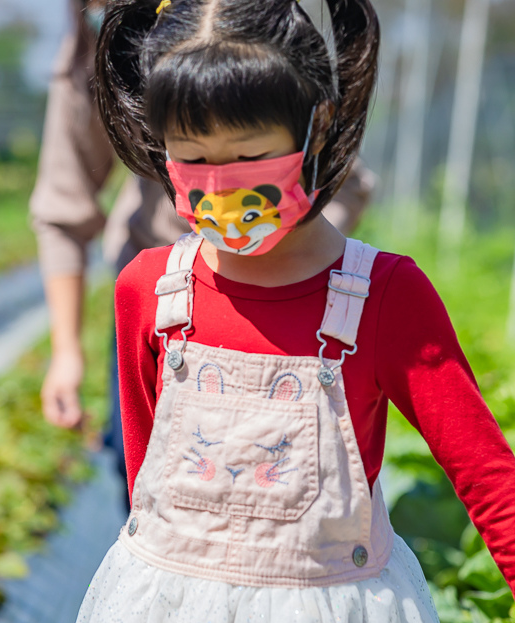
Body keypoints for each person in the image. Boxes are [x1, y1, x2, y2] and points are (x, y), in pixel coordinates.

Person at [71, 0, 515, 623]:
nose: (220, 185)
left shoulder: (382, 297)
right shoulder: (148, 291)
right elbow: (150, 489)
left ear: (320, 122)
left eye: (248, 153)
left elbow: (485, 473)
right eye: (193, 157)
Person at [29, 0, 375, 503]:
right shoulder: (97, 39)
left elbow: (340, 178)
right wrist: (66, 351)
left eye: (249, 155)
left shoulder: (244, 29)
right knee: (152, 481)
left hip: (285, 306)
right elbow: (64, 201)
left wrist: (286, 262)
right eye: (190, 154)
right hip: (167, 312)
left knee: (280, 483)